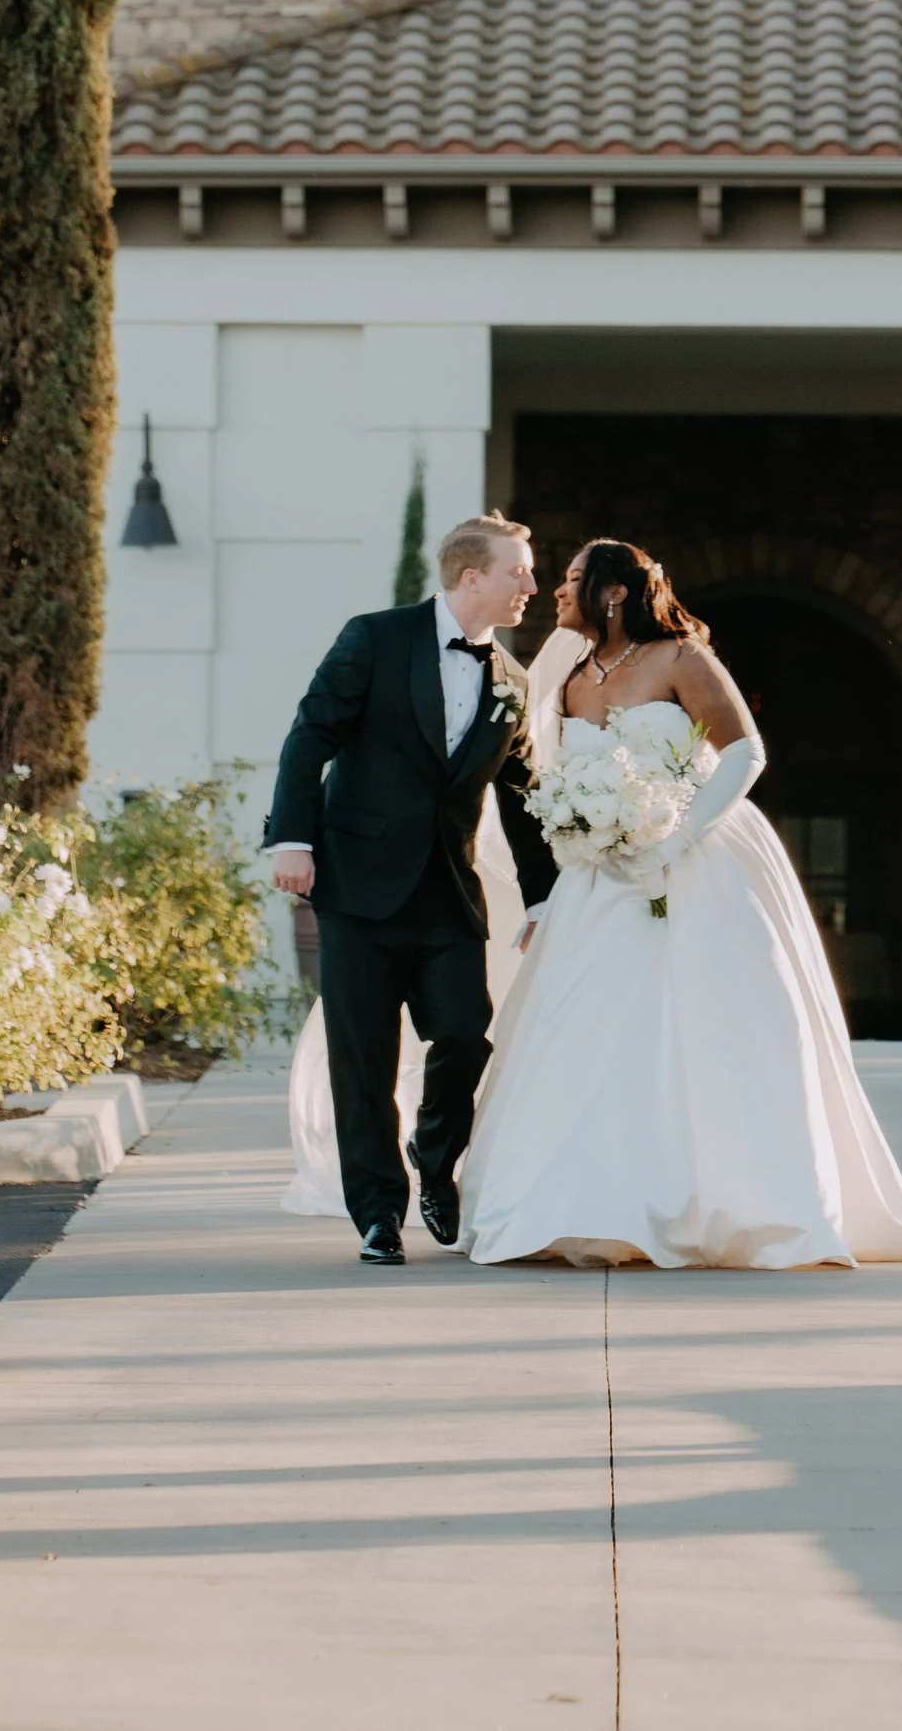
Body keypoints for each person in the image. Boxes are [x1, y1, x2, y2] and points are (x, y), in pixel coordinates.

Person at [457, 537, 902, 1270]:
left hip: (697, 860)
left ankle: (726, 1201)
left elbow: (746, 754)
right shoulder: (567, 671)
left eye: (572, 579)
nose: (557, 591)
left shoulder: (682, 658)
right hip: (602, 876)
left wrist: (678, 831)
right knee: (590, 1028)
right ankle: (583, 1204)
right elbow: (544, 776)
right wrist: (574, 843)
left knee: (708, 1025)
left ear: (615, 592)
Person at [264, 510, 556, 1266]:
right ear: (471, 577)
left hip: (450, 898)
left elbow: (525, 799)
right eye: (518, 570)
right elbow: (310, 735)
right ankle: (376, 1215)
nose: (532, 584)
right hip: (357, 890)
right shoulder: (374, 638)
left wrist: (546, 898)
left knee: (464, 1036)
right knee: (362, 1059)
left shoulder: (513, 682)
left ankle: (436, 1162)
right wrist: (292, 839)